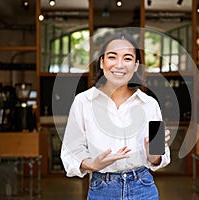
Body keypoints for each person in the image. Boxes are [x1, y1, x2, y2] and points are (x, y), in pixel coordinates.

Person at [60, 32, 171, 200]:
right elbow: (71, 151)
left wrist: (152, 152)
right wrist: (93, 164)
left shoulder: (149, 104)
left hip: (143, 188)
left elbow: (158, 158)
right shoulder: (83, 101)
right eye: (112, 57)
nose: (119, 65)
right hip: (101, 189)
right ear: (102, 62)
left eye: (127, 58)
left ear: (136, 65)